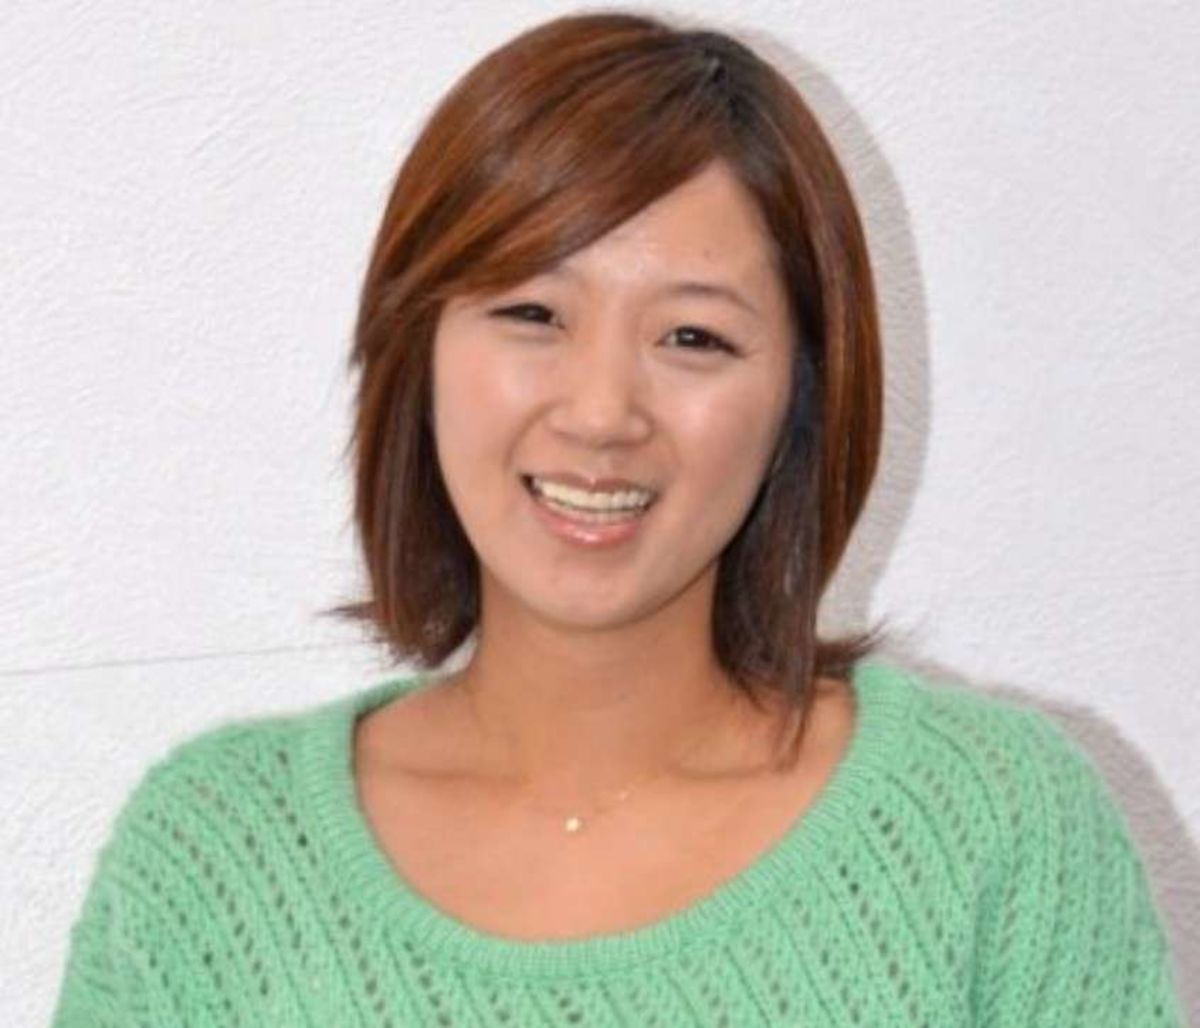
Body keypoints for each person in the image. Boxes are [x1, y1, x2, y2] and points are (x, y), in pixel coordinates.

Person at [54, 10, 1182, 1026]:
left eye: (693, 336)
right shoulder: (216, 867)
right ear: (418, 354)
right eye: (533, 312)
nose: (601, 413)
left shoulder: (994, 832)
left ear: (800, 397)